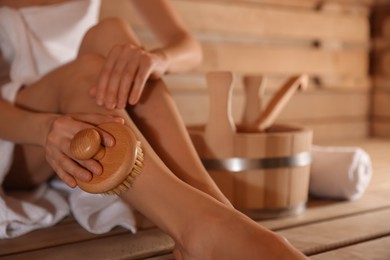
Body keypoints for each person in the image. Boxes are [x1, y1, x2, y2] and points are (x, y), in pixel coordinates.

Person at [0, 0, 306, 259]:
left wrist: (159, 59)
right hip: (19, 134)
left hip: (93, 121)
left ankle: (219, 213)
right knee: (88, 71)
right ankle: (204, 226)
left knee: (113, 36)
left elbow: (188, 46)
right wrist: (45, 128)